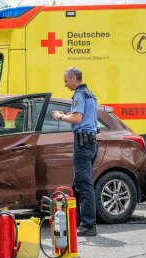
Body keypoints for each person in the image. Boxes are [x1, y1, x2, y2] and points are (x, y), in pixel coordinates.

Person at [52, 67, 98, 237]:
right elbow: (84, 117)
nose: (65, 84)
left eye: (66, 81)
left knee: (84, 184)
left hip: (83, 143)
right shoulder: (90, 94)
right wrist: (69, 115)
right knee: (80, 183)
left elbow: (78, 118)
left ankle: (88, 225)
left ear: (73, 79)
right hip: (91, 142)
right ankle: (78, 219)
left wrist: (60, 116)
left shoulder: (79, 94)